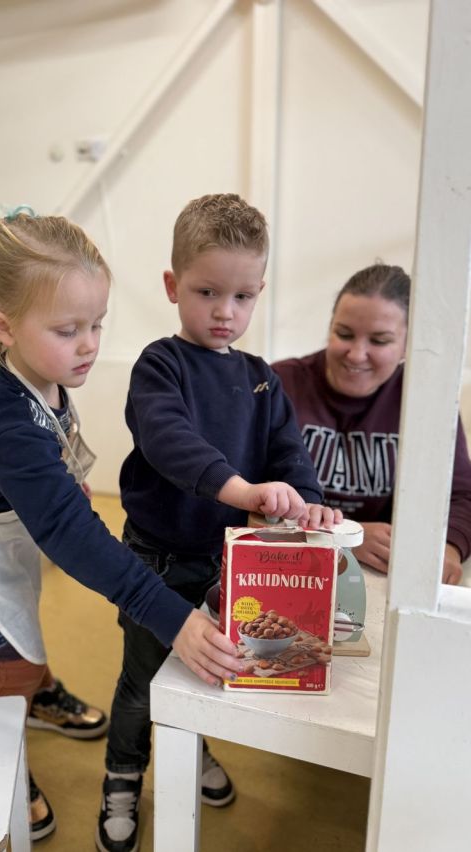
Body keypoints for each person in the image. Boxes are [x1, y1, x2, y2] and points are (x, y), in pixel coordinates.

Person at [0, 210, 242, 843]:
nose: (89, 344)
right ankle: (1, 760)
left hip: (2, 528)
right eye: (67, 329)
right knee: (16, 660)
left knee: (22, 631)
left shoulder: (43, 373)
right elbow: (73, 537)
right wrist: (173, 616)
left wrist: (60, 479)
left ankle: (41, 693)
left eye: (97, 324)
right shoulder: (5, 419)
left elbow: (48, 467)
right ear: (3, 327)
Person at [96, 193, 342, 852]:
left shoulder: (263, 379)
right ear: (174, 286)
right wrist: (241, 488)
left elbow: (288, 452)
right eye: (207, 291)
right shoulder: (159, 365)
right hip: (158, 562)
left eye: (243, 296)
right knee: (145, 681)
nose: (226, 312)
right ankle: (122, 773)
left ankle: (190, 749)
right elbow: (168, 438)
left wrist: (308, 497)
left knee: (206, 675)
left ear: (259, 293)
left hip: (228, 562)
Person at [271, 262, 471, 585]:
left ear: (408, 345)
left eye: (379, 341)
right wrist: (345, 535)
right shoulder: (280, 383)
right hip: (289, 566)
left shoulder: (425, 401)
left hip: (377, 579)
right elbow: (242, 490)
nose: (356, 354)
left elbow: (462, 494)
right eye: (344, 334)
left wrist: (448, 547)